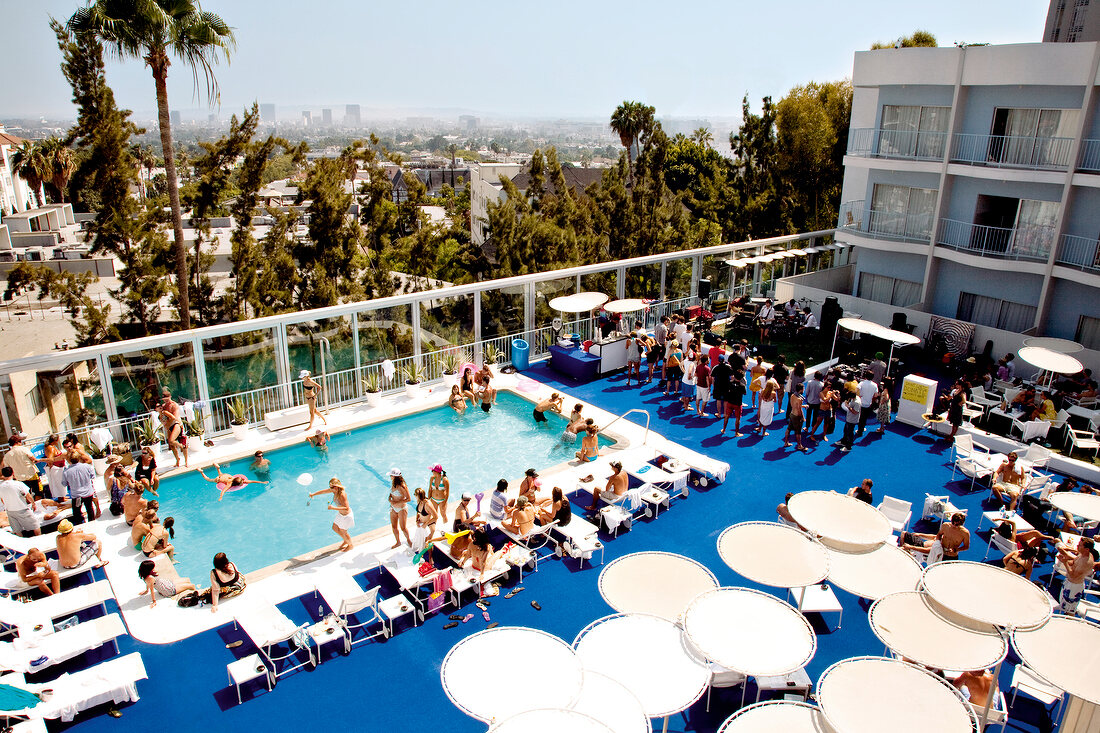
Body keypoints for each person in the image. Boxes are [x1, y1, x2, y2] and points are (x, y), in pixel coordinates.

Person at [306, 477, 354, 552]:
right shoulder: (334, 491)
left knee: (343, 531)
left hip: (346, 516)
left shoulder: (342, 494)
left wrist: (333, 508)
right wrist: (313, 494)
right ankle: (345, 540)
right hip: (341, 514)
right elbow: (323, 491)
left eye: (332, 487)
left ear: (337, 486)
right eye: (330, 486)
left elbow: (346, 508)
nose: (330, 488)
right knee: (335, 528)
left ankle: (350, 545)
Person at [1057, 535, 1100, 614]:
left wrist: (1065, 562)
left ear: (1087, 549)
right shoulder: (1081, 554)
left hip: (1074, 587)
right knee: (1064, 606)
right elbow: (1073, 563)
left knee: (1069, 611)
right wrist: (1065, 559)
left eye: (1080, 545)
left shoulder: (1086, 562)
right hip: (1069, 583)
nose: (1077, 546)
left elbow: (1073, 575)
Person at [0, 466, 40, 537]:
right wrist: (33, 504)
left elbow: (2, 499)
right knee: (35, 525)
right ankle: (39, 538)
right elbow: (28, 496)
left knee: (17, 530)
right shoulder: (18, 484)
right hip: (22, 509)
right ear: (13, 473)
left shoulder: (1, 486)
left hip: (10, 511)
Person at [198, 464, 268, 501]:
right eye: (241, 483)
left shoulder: (238, 480)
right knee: (208, 479)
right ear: (236, 484)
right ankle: (201, 472)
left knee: (220, 473)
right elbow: (224, 490)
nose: (243, 483)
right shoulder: (229, 484)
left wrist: (262, 482)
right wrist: (221, 497)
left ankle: (217, 467)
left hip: (225, 475)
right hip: (218, 479)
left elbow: (252, 481)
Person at [3, 433, 42, 498]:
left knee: (26, 495)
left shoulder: (6, 456)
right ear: (17, 442)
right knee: (37, 492)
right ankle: (39, 506)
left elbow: (7, 468)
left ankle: (30, 507)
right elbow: (33, 459)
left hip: (19, 478)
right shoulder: (24, 449)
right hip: (31, 474)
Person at [62, 452, 97, 523]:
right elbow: (92, 476)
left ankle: (80, 525)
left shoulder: (66, 472)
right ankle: (92, 524)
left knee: (76, 513)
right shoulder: (87, 466)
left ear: (69, 460)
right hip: (88, 493)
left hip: (77, 495)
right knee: (90, 509)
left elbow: (64, 483)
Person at [387, 469, 411, 548]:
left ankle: (408, 540)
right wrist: (390, 498)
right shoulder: (393, 483)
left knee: (403, 528)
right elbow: (392, 493)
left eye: (391, 475)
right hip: (393, 508)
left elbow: (408, 499)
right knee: (394, 527)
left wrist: (397, 503)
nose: (390, 477)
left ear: (394, 476)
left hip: (401, 509)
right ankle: (398, 542)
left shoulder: (402, 486)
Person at [722, 370, 748, 436]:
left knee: (727, 416)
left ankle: (724, 429)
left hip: (730, 402)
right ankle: (736, 432)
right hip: (738, 403)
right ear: (741, 378)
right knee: (737, 418)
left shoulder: (730, 383)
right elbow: (745, 393)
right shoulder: (742, 386)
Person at [783, 383, 807, 452]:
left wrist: (803, 406)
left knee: (789, 428)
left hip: (792, 414)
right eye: (803, 389)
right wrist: (802, 417)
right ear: (801, 390)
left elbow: (794, 405)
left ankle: (786, 442)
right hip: (797, 416)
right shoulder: (799, 399)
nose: (804, 390)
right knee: (798, 432)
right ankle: (799, 446)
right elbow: (799, 409)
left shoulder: (792, 395)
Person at [754, 370, 778, 437]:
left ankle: (759, 428)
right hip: (769, 406)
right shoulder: (773, 393)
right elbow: (775, 400)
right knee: (767, 419)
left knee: (762, 417)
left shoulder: (763, 391)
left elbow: (761, 397)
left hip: (763, 405)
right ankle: (763, 432)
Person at [43, 434, 67, 501]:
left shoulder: (51, 447)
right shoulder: (51, 448)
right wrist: (52, 466)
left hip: (58, 467)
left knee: (60, 484)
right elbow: (50, 459)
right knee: (59, 484)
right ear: (56, 440)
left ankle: (62, 497)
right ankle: (61, 498)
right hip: (56, 468)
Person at [856, 371, 878, 437]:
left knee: (861, 418)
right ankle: (862, 428)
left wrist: (860, 395)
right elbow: (876, 395)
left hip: (861, 403)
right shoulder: (875, 385)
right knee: (864, 418)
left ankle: (860, 431)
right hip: (869, 404)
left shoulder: (862, 383)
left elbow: (857, 390)